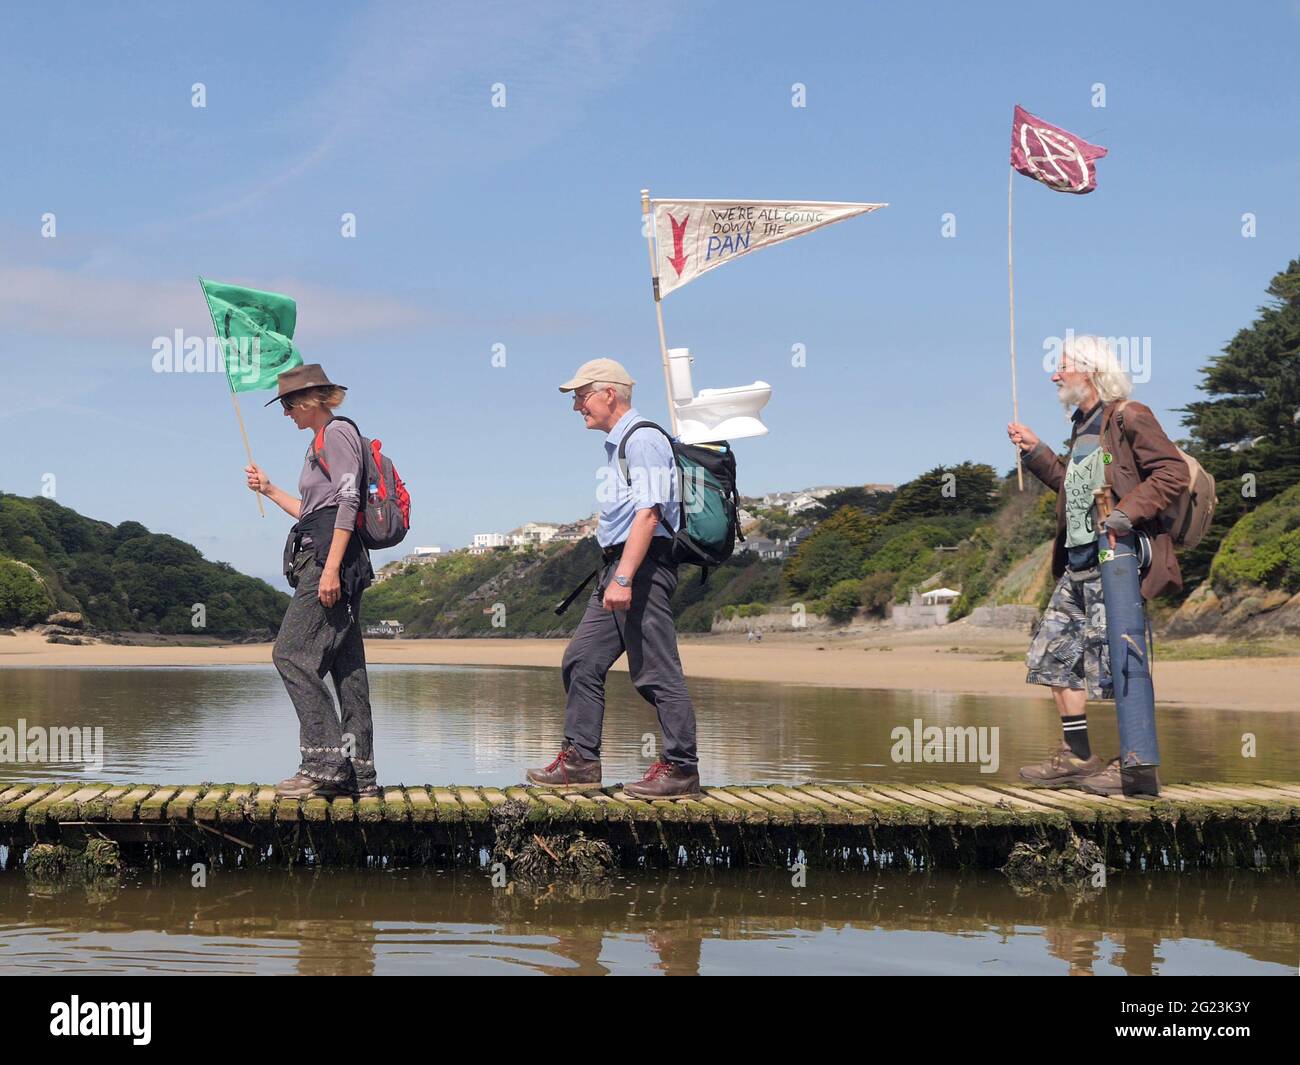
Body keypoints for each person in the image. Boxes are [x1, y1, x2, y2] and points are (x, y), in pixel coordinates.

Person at [1007, 335, 1189, 796]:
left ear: (1088, 370)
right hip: (1078, 563)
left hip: (1117, 563)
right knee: (1054, 657)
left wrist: (1127, 512)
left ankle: (1137, 767)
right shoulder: (1082, 425)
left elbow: (1172, 472)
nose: (1054, 375)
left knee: (1120, 661)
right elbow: (1071, 488)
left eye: (1062, 366)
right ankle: (1078, 758)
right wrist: (1036, 451)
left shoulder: (1128, 415)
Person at [526, 358, 701, 799]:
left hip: (640, 568)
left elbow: (649, 515)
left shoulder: (642, 440)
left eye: (580, 397)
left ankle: (682, 768)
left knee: (656, 671)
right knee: (582, 659)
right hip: (618, 569)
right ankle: (581, 762)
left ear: (610, 394)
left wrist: (623, 578)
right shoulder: (621, 444)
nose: (576, 407)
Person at [244, 364, 378, 799]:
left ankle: (324, 764)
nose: (285, 413)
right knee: (346, 668)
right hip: (330, 552)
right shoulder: (319, 442)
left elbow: (347, 501)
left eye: (287, 404)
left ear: (310, 400)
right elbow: (312, 510)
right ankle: (359, 772)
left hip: (328, 559)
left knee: (290, 655)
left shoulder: (336, 434)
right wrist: (268, 489)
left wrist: (332, 568)